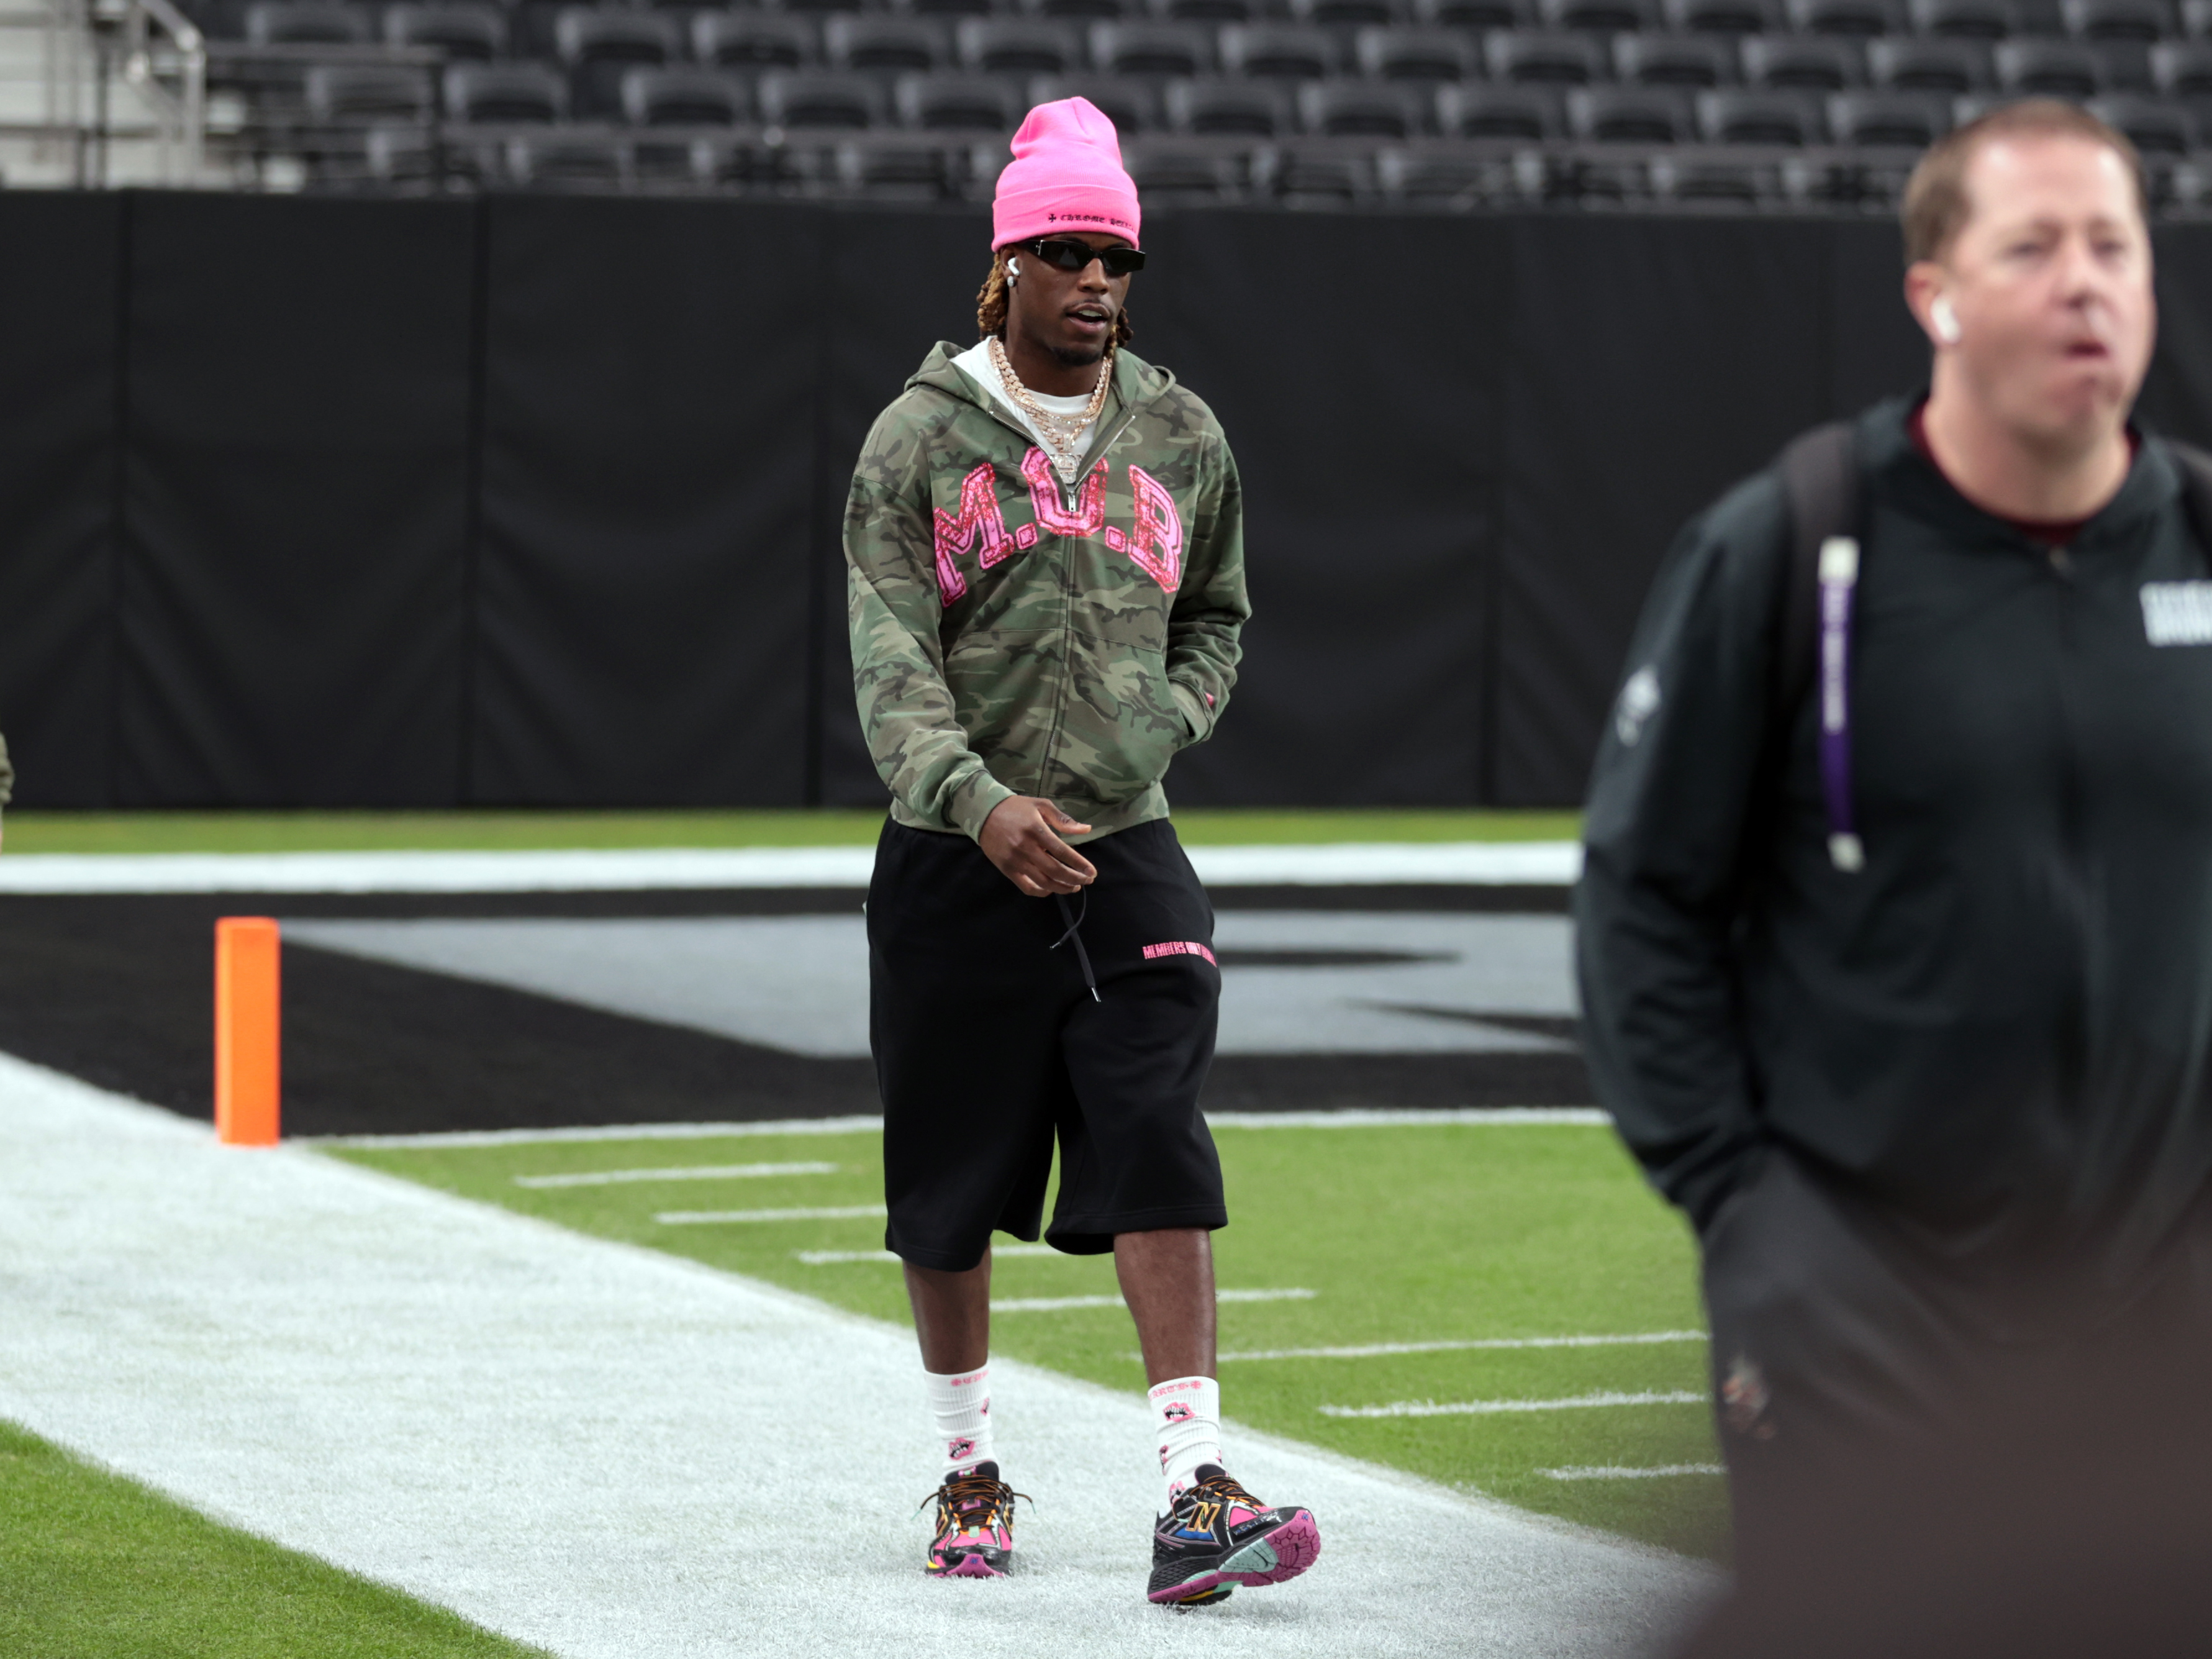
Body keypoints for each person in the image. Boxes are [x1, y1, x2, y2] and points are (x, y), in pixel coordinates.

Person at [1575, 98, 2212, 1585]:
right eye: (2032, 244)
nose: (2084, 281)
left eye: (2112, 244)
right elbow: (1640, 900)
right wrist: (1747, 1210)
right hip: (1865, 1304)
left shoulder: (2200, 541)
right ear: (1931, 293)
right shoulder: (1793, 542)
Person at [843, 97, 1320, 1606]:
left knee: (1160, 1124)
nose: (1096, 282)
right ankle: (967, 1465)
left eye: (1115, 254)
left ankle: (1192, 1486)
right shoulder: (914, 441)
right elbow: (888, 659)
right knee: (947, 1178)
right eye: (1065, 252)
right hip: (951, 855)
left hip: (1126, 847)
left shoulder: (1182, 432)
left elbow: (1220, 616)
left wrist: (1157, 730)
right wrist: (975, 800)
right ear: (1006, 268)